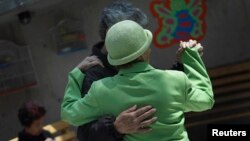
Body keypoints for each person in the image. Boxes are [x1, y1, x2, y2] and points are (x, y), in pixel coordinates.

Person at [61, 20, 214, 141]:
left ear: (114, 59)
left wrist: (76, 74)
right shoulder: (175, 80)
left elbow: (69, 114)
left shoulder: (100, 91)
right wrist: (191, 59)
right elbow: (205, 100)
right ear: (145, 51)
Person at [75, 1, 193, 141]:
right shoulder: (92, 73)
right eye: (133, 32)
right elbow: (84, 134)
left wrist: (183, 64)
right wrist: (115, 127)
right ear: (109, 33)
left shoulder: (131, 53)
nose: (140, 40)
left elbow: (155, 90)